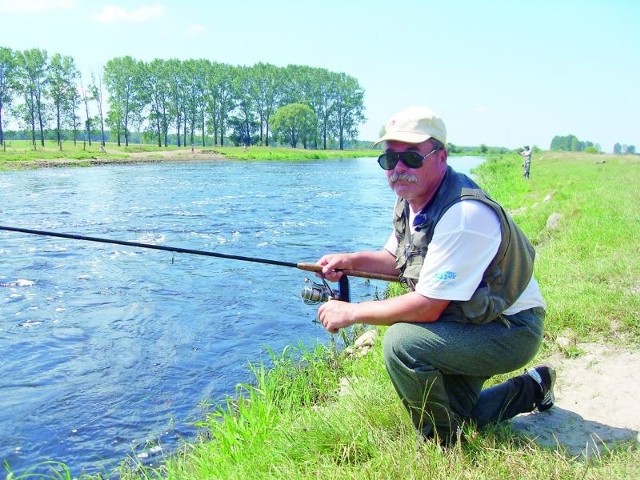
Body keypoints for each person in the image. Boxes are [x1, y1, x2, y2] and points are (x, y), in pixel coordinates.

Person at [315, 106, 555, 446]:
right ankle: (533, 387)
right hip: (469, 319)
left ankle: (442, 444)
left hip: (510, 328)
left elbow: (427, 307)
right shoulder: (411, 201)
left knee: (402, 343)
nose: (398, 169)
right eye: (389, 160)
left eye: (411, 158)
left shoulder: (464, 215)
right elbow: (392, 258)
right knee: (462, 415)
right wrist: (349, 260)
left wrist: (351, 312)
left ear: (440, 156)